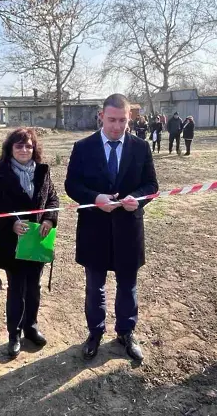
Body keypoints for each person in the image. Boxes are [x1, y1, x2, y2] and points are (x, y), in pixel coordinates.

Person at [65, 94, 158, 362]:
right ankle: (94, 332)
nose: (117, 126)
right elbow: (72, 185)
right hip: (94, 229)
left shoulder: (141, 147)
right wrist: (95, 198)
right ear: (101, 117)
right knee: (95, 286)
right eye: (112, 120)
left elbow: (151, 185)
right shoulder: (83, 147)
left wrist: (137, 199)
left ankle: (126, 332)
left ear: (130, 118)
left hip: (128, 228)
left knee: (128, 285)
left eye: (123, 120)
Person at [0, 128, 59, 358]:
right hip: (12, 244)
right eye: (19, 146)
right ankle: (13, 334)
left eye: (28, 146)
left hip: (37, 241)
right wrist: (11, 225)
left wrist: (49, 218)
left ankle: (31, 327)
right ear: (10, 149)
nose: (24, 150)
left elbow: (53, 199)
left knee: (34, 287)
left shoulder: (43, 172)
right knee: (17, 290)